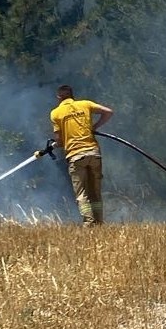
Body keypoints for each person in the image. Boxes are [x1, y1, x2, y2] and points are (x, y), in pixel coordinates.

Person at [48, 84, 114, 226]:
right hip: (94, 153)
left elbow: (60, 140)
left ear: (59, 97)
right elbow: (108, 112)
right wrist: (94, 127)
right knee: (95, 192)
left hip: (76, 156)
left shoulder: (56, 113)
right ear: (72, 95)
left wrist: (52, 146)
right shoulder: (85, 104)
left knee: (82, 194)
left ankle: (89, 222)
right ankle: (99, 222)